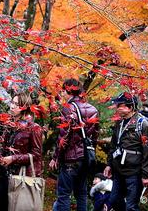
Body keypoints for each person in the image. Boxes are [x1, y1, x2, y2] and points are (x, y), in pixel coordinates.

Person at [0, 92, 43, 211]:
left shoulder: (34, 128)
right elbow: (3, 149)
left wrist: (13, 159)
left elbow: (36, 155)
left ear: (24, 107)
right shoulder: (9, 125)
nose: (12, 106)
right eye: (12, 102)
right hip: (4, 176)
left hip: (20, 179)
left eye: (17, 104)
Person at [50, 78, 100, 211]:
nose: (62, 94)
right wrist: (90, 154)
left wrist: (56, 158)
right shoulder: (92, 109)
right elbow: (94, 136)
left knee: (64, 194)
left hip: (70, 159)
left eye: (63, 91)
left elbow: (63, 137)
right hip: (85, 158)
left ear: (68, 91)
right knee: (81, 194)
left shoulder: (68, 109)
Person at [104, 92, 148, 211]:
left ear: (130, 107)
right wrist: (109, 164)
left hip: (134, 172)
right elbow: (113, 145)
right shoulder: (119, 123)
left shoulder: (142, 125)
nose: (117, 108)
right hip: (118, 171)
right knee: (115, 200)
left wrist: (146, 174)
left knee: (131, 206)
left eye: (120, 105)